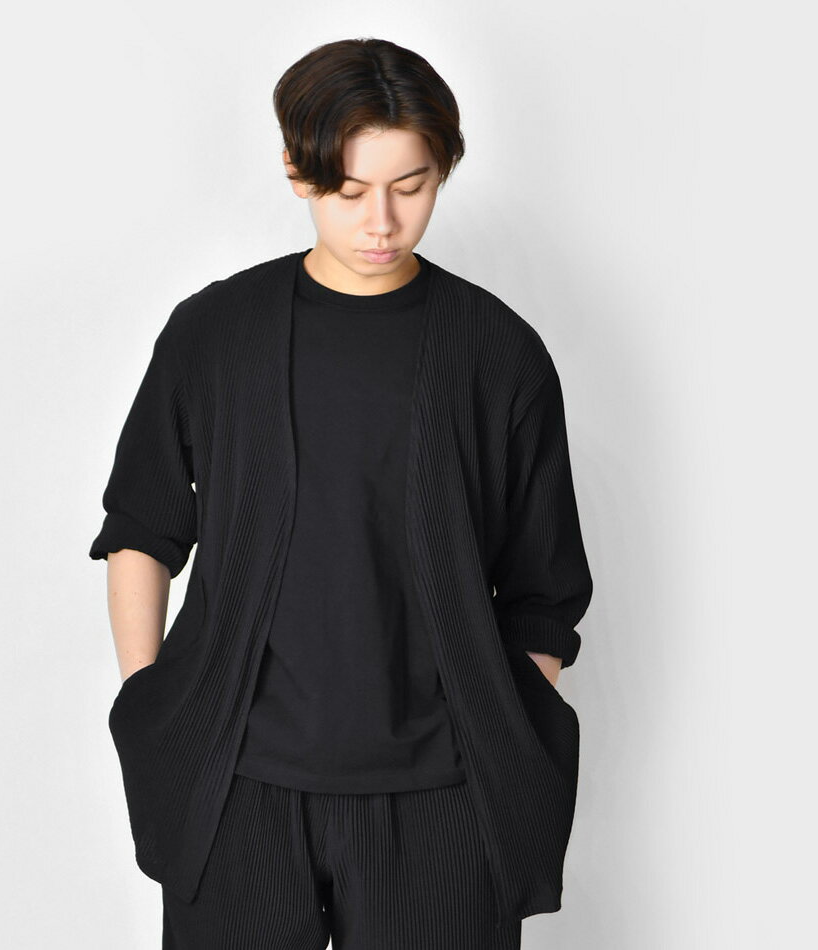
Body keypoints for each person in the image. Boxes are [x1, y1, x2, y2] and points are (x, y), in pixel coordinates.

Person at [89, 37, 593, 950]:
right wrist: (149, 700)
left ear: (444, 170)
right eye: (351, 191)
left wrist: (497, 729)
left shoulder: (499, 353)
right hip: (237, 787)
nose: (383, 222)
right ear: (297, 171)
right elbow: (143, 525)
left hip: (445, 797)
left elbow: (543, 588)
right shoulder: (216, 333)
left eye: (412, 186)